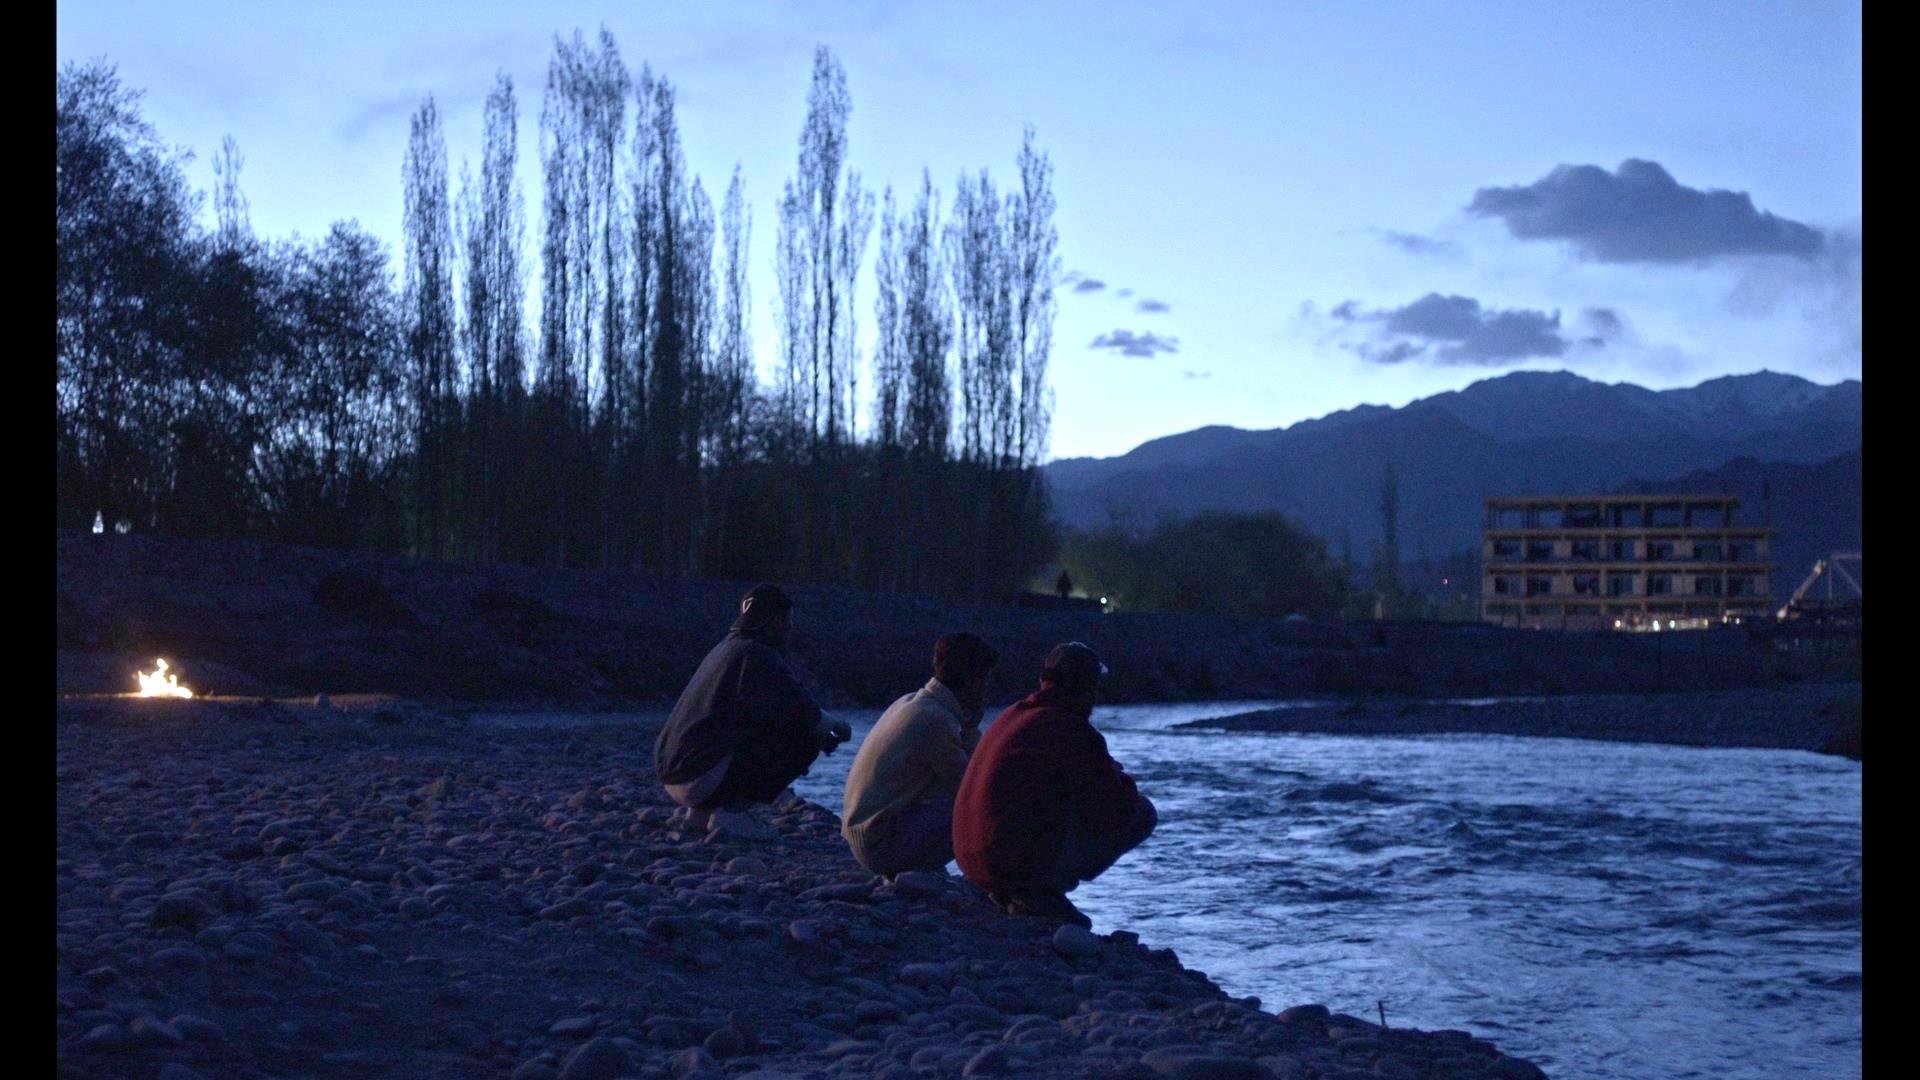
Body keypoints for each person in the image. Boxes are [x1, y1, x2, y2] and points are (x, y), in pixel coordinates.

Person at [952, 642, 1156, 928]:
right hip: (1002, 863)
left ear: (1043, 681)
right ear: (1089, 688)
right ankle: (1038, 890)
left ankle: (1019, 889)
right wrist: (1115, 775)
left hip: (971, 861)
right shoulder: (1070, 728)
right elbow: (1116, 808)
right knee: (1143, 813)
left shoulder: (1012, 715)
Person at [653, 584, 851, 839]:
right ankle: (731, 815)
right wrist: (839, 729)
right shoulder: (756, 655)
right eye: (786, 620)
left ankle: (699, 815)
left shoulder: (725, 648)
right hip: (697, 778)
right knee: (806, 737)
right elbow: (803, 709)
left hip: (673, 773)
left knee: (755, 727)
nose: (789, 627)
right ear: (775, 620)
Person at [841, 633, 999, 876]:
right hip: (879, 848)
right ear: (973, 680)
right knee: (978, 804)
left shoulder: (910, 702)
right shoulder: (936, 721)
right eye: (985, 679)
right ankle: (998, 880)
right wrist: (971, 726)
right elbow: (969, 786)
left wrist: (967, 724)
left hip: (863, 838)